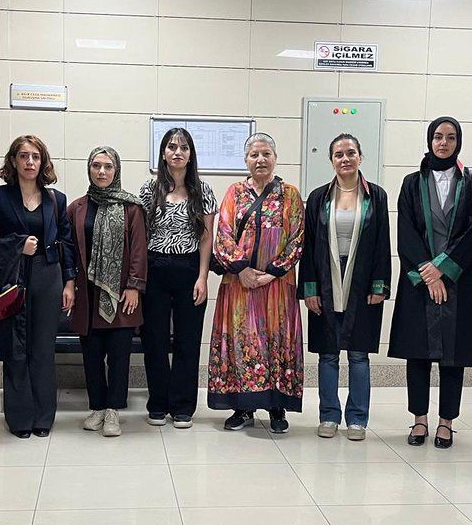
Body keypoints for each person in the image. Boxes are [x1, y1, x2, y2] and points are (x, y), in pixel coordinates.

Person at [388, 117, 472, 449]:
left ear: (459, 142)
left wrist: (443, 269)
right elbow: (406, 232)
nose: (443, 143)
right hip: (419, 280)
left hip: (459, 280)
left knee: (453, 356)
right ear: (429, 140)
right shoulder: (411, 183)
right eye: (437, 137)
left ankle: (446, 421)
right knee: (417, 354)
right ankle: (420, 419)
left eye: (450, 137)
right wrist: (428, 272)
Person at [0, 135, 76, 438]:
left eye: (35, 156)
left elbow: (67, 242)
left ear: (42, 161)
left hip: (48, 276)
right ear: (14, 160)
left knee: (43, 349)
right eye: (23, 156)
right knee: (16, 346)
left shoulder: (56, 199)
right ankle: (19, 419)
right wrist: (17, 245)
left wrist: (70, 282)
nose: (30, 162)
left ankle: (43, 418)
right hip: (12, 277)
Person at [209, 132, 305, 432]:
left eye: (266, 154)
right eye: (254, 155)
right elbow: (223, 234)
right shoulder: (234, 193)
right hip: (240, 284)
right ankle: (243, 408)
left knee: (276, 341)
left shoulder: (290, 195)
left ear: (275, 158)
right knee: (242, 342)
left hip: (277, 286)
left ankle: (277, 407)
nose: (260, 159)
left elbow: (298, 238)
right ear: (246, 160)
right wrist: (242, 270)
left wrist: (273, 272)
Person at [299, 134, 390, 441]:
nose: (345, 159)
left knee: (359, 355)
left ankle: (357, 418)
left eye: (351, 152)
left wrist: (380, 284)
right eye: (339, 154)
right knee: (327, 354)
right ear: (331, 160)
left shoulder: (376, 196)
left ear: (360, 157)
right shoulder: (318, 198)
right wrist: (309, 288)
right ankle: (328, 415)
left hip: (361, 281)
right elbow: (309, 246)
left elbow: (382, 243)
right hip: (326, 279)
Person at [139, 128, 217, 429]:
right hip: (155, 269)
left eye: (184, 148)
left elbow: (206, 238)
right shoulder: (149, 190)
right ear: (163, 153)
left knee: (187, 340)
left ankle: (183, 406)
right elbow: (139, 235)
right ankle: (158, 403)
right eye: (172, 147)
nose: (177, 152)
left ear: (191, 155)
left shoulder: (202, 190)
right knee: (155, 340)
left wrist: (202, 277)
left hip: (189, 270)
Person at [69, 146, 147, 437]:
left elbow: (138, 250)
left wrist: (134, 286)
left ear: (117, 170)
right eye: (96, 165)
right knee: (91, 355)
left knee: (118, 356)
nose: (101, 172)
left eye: (108, 166)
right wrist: (69, 284)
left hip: (121, 294)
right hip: (87, 295)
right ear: (89, 169)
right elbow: (70, 251)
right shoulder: (76, 208)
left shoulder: (131, 208)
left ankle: (114, 409)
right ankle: (98, 407)